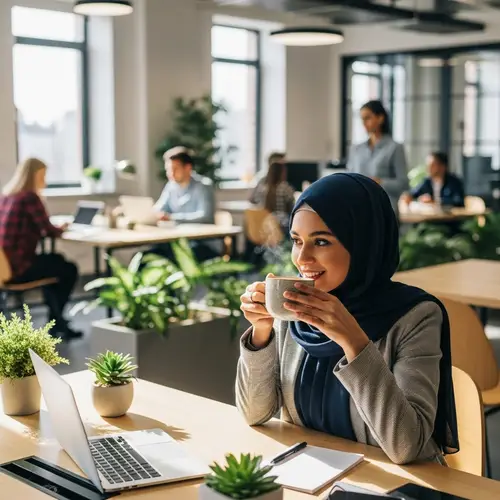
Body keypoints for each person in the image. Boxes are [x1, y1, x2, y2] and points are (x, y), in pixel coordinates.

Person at [236, 173, 459, 465]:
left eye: (321, 242)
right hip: (314, 479)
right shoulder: (295, 310)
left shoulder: (415, 316)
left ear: (363, 243)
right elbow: (254, 413)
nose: (302, 258)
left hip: (393, 487)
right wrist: (261, 333)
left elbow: (407, 447)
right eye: (296, 240)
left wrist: (353, 341)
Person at [0, 158, 81, 339]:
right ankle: (56, 322)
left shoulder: (7, 196)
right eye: (44, 175)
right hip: (20, 267)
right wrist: (62, 228)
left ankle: (56, 320)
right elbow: (48, 229)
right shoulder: (29, 197)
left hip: (5, 265)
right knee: (68, 269)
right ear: (35, 175)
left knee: (56, 261)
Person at [151, 146, 217, 261]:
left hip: (199, 242)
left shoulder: (203, 186)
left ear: (188, 168)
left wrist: (172, 218)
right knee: (149, 255)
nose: (171, 173)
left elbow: (205, 216)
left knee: (174, 256)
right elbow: (159, 208)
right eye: (168, 169)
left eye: (175, 169)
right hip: (176, 239)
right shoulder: (171, 187)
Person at [347, 100, 408, 210]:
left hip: (384, 210)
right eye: (362, 119)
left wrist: (379, 182)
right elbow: (349, 178)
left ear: (380, 118)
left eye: (367, 118)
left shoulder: (395, 148)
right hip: (358, 209)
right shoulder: (356, 149)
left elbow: (403, 184)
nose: (364, 123)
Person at [249, 162, 295, 232]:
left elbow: (253, 200)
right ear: (281, 173)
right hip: (281, 226)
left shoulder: (263, 188)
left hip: (265, 224)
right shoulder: (285, 187)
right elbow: (293, 206)